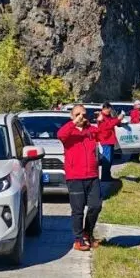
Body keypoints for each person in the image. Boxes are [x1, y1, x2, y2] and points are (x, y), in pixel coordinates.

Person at [57, 104, 102, 251]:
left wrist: (102, 121)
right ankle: (78, 240)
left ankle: (87, 233)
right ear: (72, 116)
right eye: (77, 114)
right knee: (78, 210)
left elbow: (104, 134)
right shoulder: (69, 131)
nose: (81, 116)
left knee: (96, 206)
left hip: (92, 175)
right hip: (75, 177)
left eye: (83, 114)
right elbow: (60, 135)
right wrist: (74, 123)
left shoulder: (91, 130)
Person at [96, 103, 123, 183]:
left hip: (110, 140)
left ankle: (108, 175)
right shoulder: (101, 117)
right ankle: (105, 177)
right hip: (105, 140)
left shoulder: (108, 116)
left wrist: (118, 121)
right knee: (107, 159)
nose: (110, 111)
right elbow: (107, 126)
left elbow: (113, 122)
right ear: (105, 108)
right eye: (109, 110)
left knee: (110, 159)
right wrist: (118, 119)